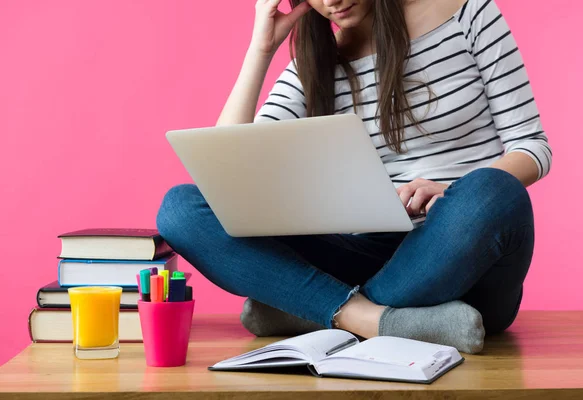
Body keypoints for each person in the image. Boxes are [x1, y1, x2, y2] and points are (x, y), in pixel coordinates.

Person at [156, 0, 552, 354]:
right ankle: (366, 318)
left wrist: (451, 190)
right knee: (181, 208)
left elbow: (532, 146)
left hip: (462, 249)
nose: (332, 2)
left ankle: (313, 312)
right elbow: (223, 174)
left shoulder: (469, 14)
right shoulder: (313, 68)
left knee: (493, 190)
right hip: (366, 250)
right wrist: (261, 49)